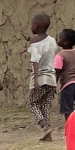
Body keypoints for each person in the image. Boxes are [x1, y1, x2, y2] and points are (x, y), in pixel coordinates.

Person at [27, 13, 57, 141]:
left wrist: (36, 78)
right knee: (44, 105)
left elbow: (35, 60)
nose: (31, 26)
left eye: (32, 24)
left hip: (41, 77)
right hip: (51, 78)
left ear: (37, 26)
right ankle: (48, 134)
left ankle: (44, 126)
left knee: (32, 103)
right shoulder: (52, 40)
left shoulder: (34, 42)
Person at [54, 29, 75, 121]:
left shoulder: (60, 56)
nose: (57, 39)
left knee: (67, 110)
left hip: (68, 85)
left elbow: (57, 71)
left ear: (65, 42)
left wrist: (53, 86)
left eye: (59, 38)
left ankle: (70, 128)